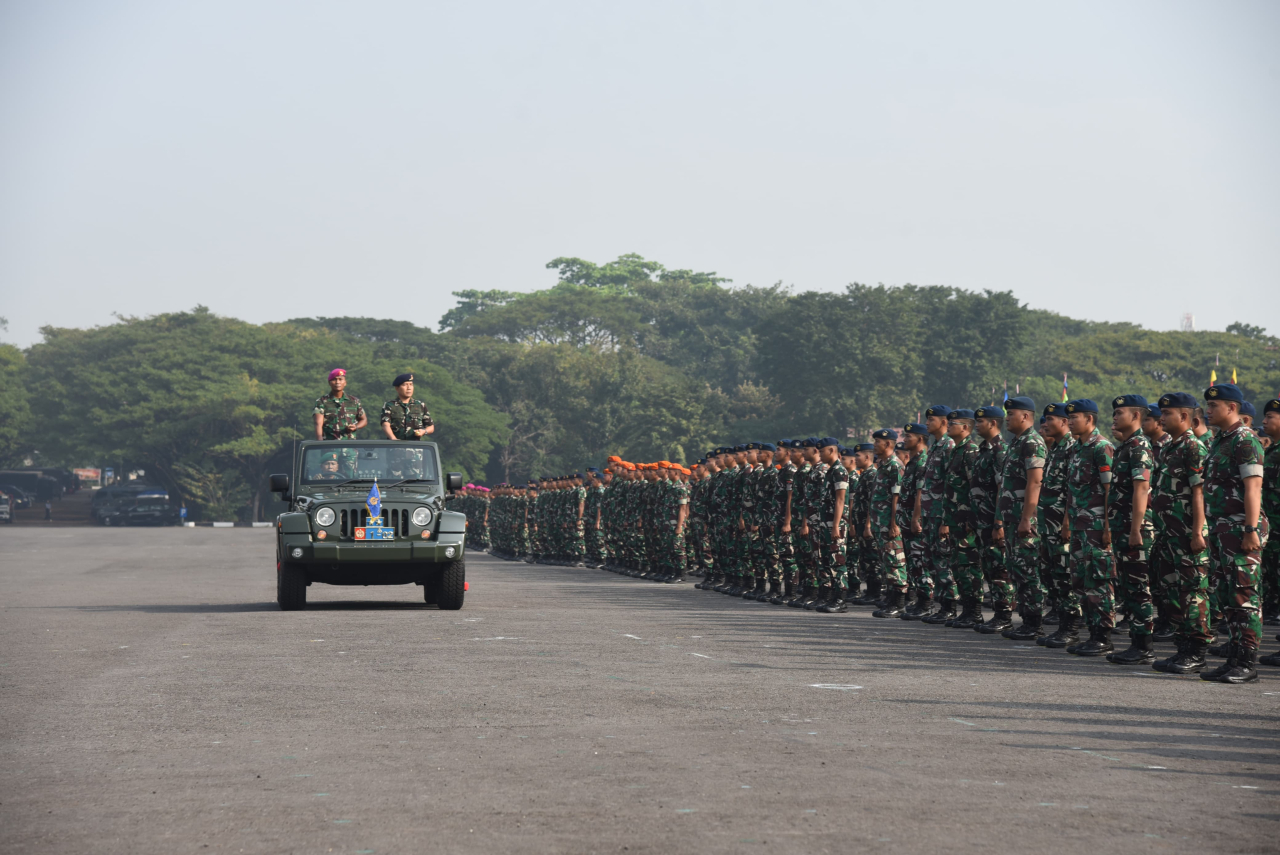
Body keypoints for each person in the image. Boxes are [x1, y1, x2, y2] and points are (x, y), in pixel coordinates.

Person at [1198, 383, 1265, 683]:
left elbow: (1253, 488)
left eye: (1214, 406)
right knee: (1228, 595)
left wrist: (1251, 530)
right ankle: (1234, 657)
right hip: (1222, 529)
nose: (1208, 411)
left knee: (1245, 595)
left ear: (1232, 408)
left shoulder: (1245, 440)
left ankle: (1247, 663)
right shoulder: (1219, 441)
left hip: (1241, 528)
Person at [1150, 392, 1212, 673]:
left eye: (1167, 414)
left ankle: (1197, 651)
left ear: (1184, 416)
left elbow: (1199, 492)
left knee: (1193, 592)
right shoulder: (1170, 447)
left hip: (1187, 532)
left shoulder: (1193, 447)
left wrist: (1198, 531)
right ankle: (1182, 648)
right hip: (1169, 532)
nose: (1161, 418)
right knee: (1172, 590)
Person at [1062, 399, 1118, 657]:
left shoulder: (1102, 447)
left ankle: (1103, 636)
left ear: (1090, 419)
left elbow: (1110, 490)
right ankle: (1092, 633)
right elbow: (1071, 490)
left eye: (1075, 417)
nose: (1070, 421)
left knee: (1098, 581)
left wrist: (1107, 527)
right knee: (1081, 580)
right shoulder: (1076, 448)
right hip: (1078, 525)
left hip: (1096, 527)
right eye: (1069, 417)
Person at [1105, 395, 1158, 664]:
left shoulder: (1139, 447)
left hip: (1135, 528)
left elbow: (1141, 490)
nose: (1114, 416)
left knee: (1138, 587)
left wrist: (1136, 529)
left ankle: (1143, 645)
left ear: (1136, 416)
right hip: (1123, 526)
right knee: (1128, 586)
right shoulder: (1126, 446)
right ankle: (1137, 643)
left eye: (1120, 412)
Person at [996, 396, 1048, 639]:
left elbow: (1035, 481)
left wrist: (1027, 518)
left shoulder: (1032, 443)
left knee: (1028, 571)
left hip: (1025, 519)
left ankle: (1034, 623)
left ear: (1025, 416)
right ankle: (1026, 620)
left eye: (1011, 414)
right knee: (1017, 569)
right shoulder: (1016, 443)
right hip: (1013, 519)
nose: (1006, 419)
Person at [313, 369, 367, 440]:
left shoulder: (354, 401)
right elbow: (318, 424)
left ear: (345, 383)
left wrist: (355, 426)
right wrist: (320, 445)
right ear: (329, 383)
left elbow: (364, 420)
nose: (337, 382)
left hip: (350, 447)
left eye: (340, 379)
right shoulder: (322, 401)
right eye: (334, 379)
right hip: (330, 447)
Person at [381, 373, 435, 440]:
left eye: (411, 385)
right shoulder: (390, 405)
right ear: (397, 388)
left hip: (415, 448)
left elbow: (430, 426)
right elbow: (385, 425)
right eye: (405, 385)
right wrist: (394, 440)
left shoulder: (420, 405)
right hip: (395, 447)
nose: (409, 388)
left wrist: (424, 431)